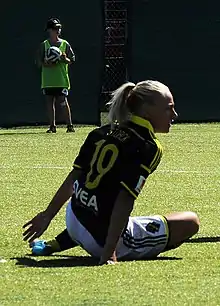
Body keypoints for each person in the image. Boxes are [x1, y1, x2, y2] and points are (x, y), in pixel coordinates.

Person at [23, 80, 200, 265]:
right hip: (100, 241)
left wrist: (47, 216)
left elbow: (72, 179)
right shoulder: (148, 146)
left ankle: (57, 243)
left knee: (103, 203)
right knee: (190, 221)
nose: (175, 114)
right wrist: (109, 252)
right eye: (168, 108)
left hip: (73, 217)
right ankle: (98, 244)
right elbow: (125, 200)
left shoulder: (102, 132)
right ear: (147, 111)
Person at [37, 18, 75, 133]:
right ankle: (52, 127)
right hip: (48, 80)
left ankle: (70, 126)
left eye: (59, 28)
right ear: (49, 30)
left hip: (61, 80)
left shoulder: (65, 44)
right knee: (49, 102)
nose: (57, 30)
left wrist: (64, 59)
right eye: (55, 28)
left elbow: (72, 59)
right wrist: (46, 63)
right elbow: (39, 62)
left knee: (63, 101)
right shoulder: (44, 45)